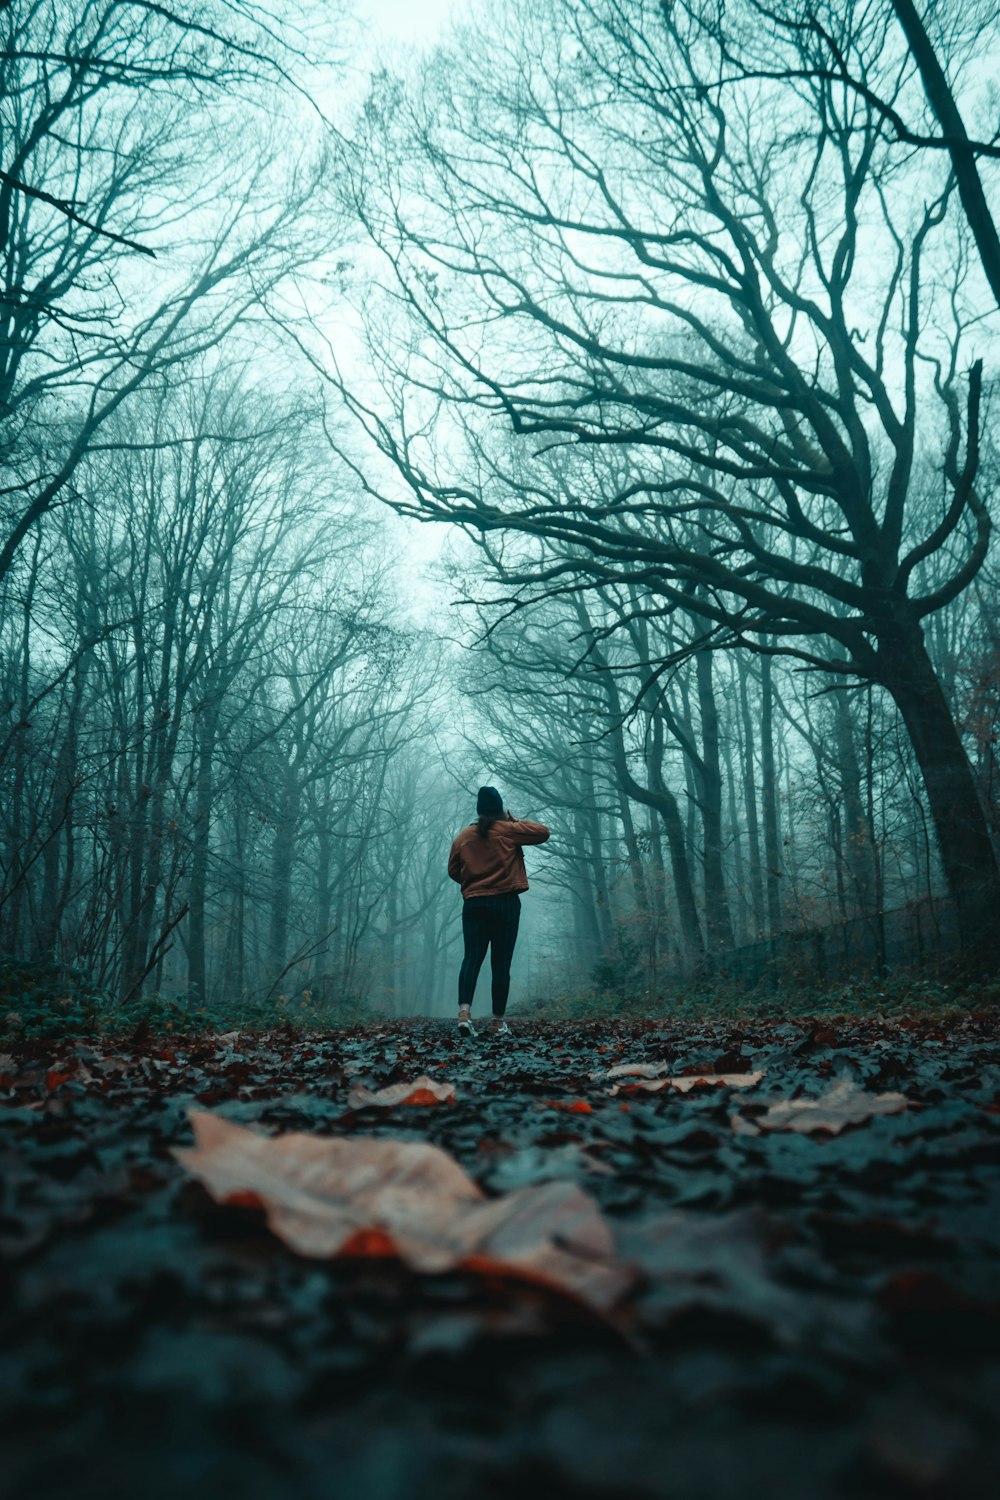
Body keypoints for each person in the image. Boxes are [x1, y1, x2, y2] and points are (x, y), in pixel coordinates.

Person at [447, 786, 550, 1038]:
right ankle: (498, 1022)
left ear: (479, 809)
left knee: (471, 958)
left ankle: (464, 1014)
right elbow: (543, 833)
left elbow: (453, 870)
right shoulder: (509, 830)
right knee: (500, 964)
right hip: (505, 903)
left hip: (474, 904)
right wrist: (515, 820)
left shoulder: (463, 837)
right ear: (500, 808)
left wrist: (474, 882)